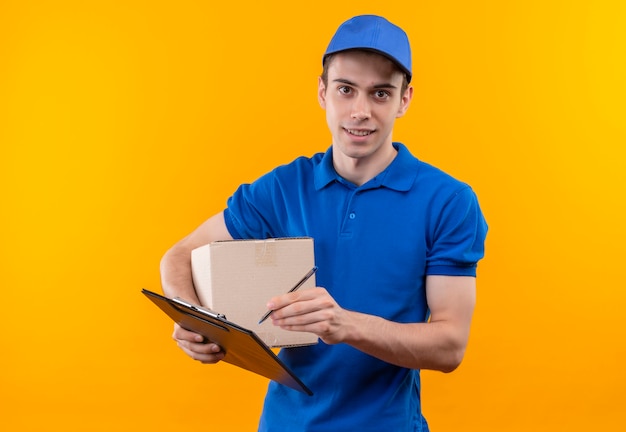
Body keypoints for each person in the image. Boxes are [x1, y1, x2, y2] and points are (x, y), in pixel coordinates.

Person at [160, 14, 488, 431]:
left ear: (404, 100)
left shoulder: (448, 201)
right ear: (322, 92)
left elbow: (450, 346)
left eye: (381, 93)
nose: (360, 111)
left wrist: (344, 324)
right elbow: (179, 255)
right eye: (346, 90)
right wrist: (193, 321)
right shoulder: (282, 188)